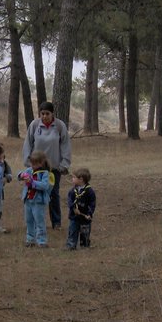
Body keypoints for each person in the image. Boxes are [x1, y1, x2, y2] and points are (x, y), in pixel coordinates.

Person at [22, 101, 71, 231]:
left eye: (47, 114)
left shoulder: (60, 126)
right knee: (35, 193)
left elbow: (65, 145)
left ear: (52, 113)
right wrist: (28, 162)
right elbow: (28, 143)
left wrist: (64, 164)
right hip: (36, 167)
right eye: (42, 114)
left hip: (54, 167)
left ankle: (56, 222)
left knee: (53, 194)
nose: (44, 116)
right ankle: (36, 222)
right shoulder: (34, 125)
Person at [18, 151, 54, 248]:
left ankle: (42, 241)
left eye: (34, 163)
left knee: (39, 221)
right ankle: (30, 240)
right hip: (28, 201)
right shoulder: (29, 170)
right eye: (31, 163)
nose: (32, 165)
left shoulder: (45, 173)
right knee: (29, 220)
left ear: (41, 163)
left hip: (38, 202)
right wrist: (21, 175)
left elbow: (45, 186)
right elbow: (20, 174)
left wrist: (33, 182)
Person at [65, 168, 96, 250]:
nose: (72, 179)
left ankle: (85, 245)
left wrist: (89, 213)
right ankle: (71, 245)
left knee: (85, 232)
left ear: (81, 179)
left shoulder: (89, 191)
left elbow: (92, 204)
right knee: (72, 230)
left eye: (74, 177)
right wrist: (73, 208)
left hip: (85, 216)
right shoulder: (73, 190)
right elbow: (69, 200)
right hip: (74, 216)